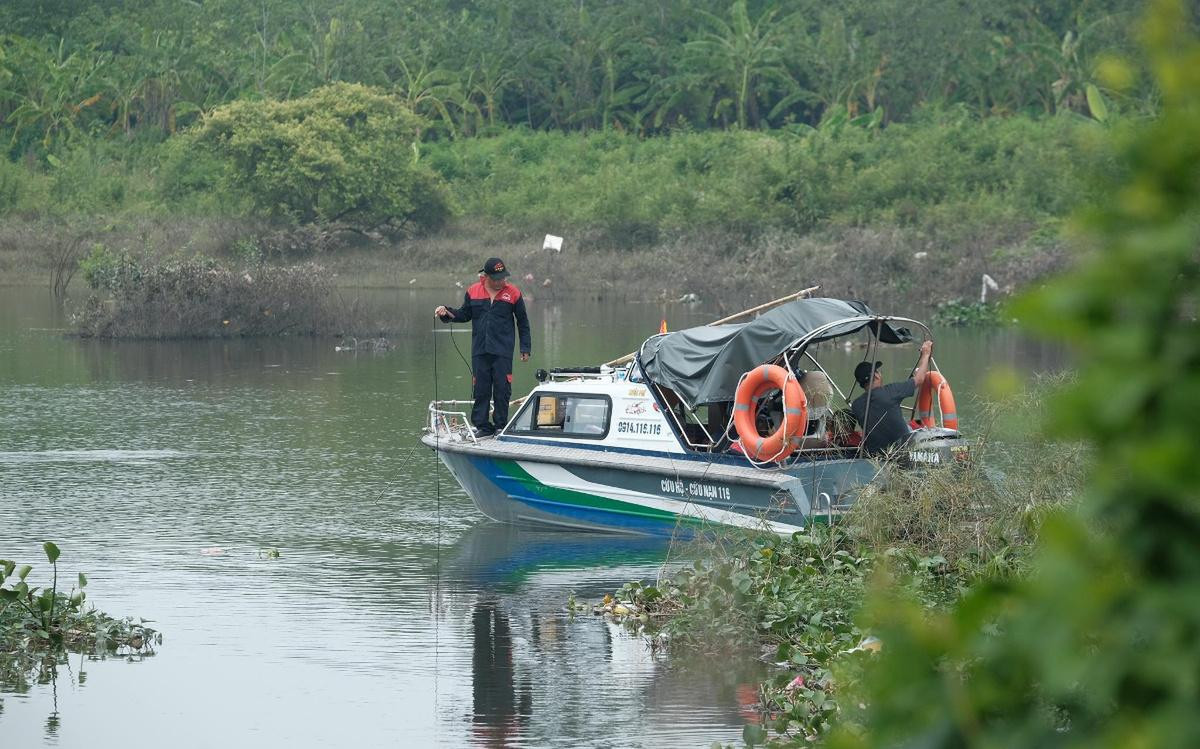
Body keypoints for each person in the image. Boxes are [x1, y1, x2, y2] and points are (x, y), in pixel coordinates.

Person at [435, 257, 532, 437]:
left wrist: (525, 348)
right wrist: (446, 312)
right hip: (480, 350)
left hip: (503, 350)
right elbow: (464, 314)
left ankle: (500, 426)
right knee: (481, 388)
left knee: (502, 389)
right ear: (486, 276)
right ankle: (482, 427)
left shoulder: (513, 293)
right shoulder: (473, 291)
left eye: (503, 277)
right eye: (497, 278)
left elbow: (523, 322)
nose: (502, 281)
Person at [849, 339, 933, 456]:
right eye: (878, 371)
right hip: (901, 452)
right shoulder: (891, 391)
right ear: (876, 375)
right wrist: (926, 354)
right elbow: (919, 380)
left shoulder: (856, 405)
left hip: (876, 456)